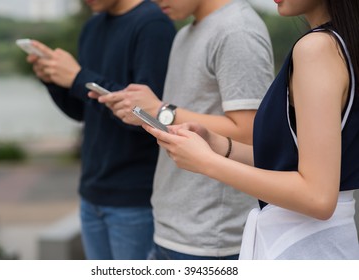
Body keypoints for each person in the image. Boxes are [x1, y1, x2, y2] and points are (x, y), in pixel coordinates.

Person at [143, 0, 359, 259]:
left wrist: (206, 162)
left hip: (305, 246)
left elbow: (317, 197)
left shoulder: (317, 49)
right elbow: (293, 162)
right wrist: (218, 145)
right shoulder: (338, 44)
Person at [91, 0, 274, 259]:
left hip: (211, 238)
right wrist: (146, 112)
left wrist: (161, 109)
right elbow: (181, 116)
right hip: (171, 227)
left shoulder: (237, 30)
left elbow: (249, 134)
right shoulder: (184, 34)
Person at [26, 0, 176, 259]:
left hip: (136, 197)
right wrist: (54, 80)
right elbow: (82, 111)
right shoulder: (92, 26)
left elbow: (150, 120)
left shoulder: (153, 24)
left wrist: (77, 77)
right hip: (91, 192)